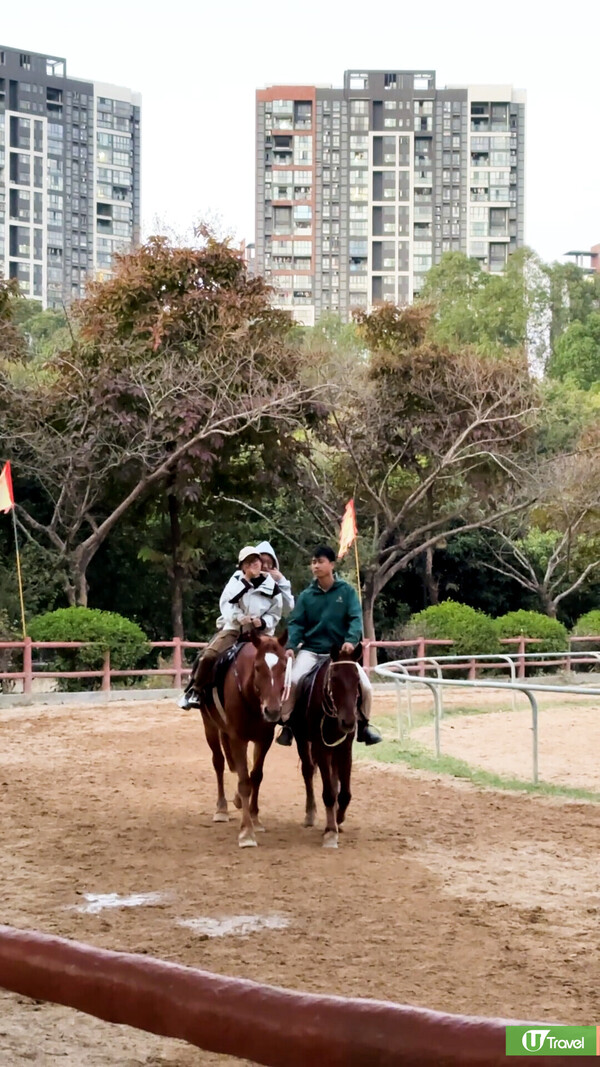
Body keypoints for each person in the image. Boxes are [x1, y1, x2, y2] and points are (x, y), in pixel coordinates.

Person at [276, 544, 382, 747]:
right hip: (311, 650)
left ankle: (364, 726)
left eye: (320, 561)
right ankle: (287, 725)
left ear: (331, 564)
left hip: (340, 654)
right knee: (294, 681)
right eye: (313, 562)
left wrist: (351, 641)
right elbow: (297, 623)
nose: (315, 566)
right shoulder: (307, 596)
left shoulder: (347, 592)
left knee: (366, 687)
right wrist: (291, 646)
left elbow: (355, 618)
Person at [178, 546, 283, 709]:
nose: (253, 565)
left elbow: (276, 611)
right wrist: (239, 618)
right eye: (248, 563)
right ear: (242, 566)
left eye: (255, 561)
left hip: (260, 633)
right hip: (234, 629)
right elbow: (227, 604)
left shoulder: (271, 585)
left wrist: (263, 622)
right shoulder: (235, 582)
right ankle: (195, 690)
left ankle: (286, 701)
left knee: (280, 659)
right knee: (208, 656)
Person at [255, 540, 295, 617]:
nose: (265, 566)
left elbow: (288, 607)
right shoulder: (242, 579)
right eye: (262, 562)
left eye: (269, 563)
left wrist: (281, 580)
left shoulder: (274, 587)